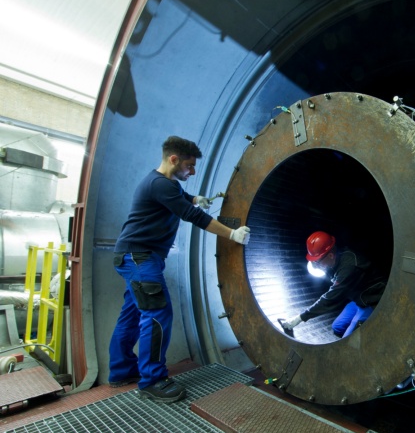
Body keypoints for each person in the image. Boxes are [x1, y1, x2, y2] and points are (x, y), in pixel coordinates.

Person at [108, 135, 250, 403]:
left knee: (131, 315)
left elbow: (182, 198)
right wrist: (232, 235)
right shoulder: (160, 185)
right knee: (158, 314)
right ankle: (152, 380)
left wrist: (196, 198)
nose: (193, 171)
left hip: (132, 257)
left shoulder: (162, 182)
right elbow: (192, 216)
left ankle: (121, 370)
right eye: (190, 165)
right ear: (173, 160)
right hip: (140, 258)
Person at [279, 231, 386, 338]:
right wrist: (319, 264)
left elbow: (330, 298)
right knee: (337, 327)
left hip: (372, 300)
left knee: (350, 340)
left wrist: (300, 318)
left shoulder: (349, 267)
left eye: (317, 261)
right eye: (313, 261)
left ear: (330, 255)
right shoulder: (334, 259)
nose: (315, 265)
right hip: (357, 299)